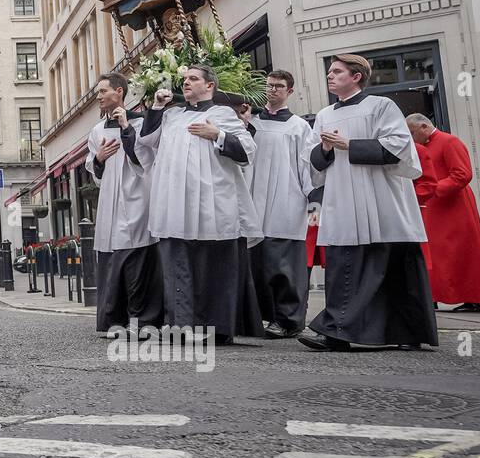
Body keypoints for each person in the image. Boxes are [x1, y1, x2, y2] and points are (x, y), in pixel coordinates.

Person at [300, 55, 437, 351]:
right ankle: (337, 333)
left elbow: (398, 146)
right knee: (342, 265)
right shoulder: (324, 114)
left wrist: (349, 145)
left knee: (390, 265)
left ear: (357, 76)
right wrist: (324, 149)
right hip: (341, 199)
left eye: (337, 71)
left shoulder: (381, 106)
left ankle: (406, 333)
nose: (330, 76)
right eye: (329, 72)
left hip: (380, 198)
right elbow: (311, 162)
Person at [137, 64, 263, 343]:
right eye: (184, 79)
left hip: (212, 201)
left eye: (193, 78)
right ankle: (182, 326)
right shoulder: (171, 115)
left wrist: (217, 135)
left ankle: (217, 328)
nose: (186, 83)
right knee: (177, 264)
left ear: (210, 86)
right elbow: (146, 140)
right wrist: (156, 107)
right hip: (174, 202)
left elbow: (246, 151)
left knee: (212, 266)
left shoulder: (221, 114)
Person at [86, 73, 161, 335]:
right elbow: (93, 170)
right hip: (111, 200)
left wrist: (127, 129)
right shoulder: (97, 130)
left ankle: (142, 320)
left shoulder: (141, 123)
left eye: (103, 91)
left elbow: (146, 159)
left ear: (119, 92)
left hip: (137, 195)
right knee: (113, 260)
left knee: (138, 258)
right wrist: (99, 158)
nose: (98, 97)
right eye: (98, 92)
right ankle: (115, 319)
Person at [242, 70, 314, 338]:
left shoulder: (299, 127)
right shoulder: (252, 123)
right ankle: (261, 316)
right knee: (256, 263)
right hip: (254, 198)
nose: (272, 90)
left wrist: (312, 200)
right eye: (269, 85)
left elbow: (307, 166)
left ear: (290, 91)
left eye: (279, 86)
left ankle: (289, 320)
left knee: (282, 265)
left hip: (286, 196)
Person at [407, 113, 480, 313]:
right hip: (435, 205)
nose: (411, 137)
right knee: (438, 255)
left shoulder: (449, 141)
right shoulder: (423, 148)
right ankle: (433, 295)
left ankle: (475, 298)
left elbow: (462, 173)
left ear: (424, 126)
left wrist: (433, 189)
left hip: (455, 206)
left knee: (463, 252)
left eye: (412, 132)